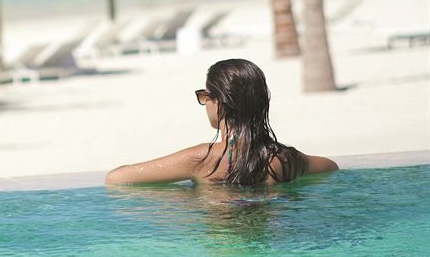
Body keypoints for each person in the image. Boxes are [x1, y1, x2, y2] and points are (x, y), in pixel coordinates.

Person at [105, 58, 338, 185]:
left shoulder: (203, 159)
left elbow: (116, 178)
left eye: (205, 96)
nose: (204, 103)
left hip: (224, 255)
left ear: (220, 103)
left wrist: (183, 199)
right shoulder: (285, 159)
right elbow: (331, 167)